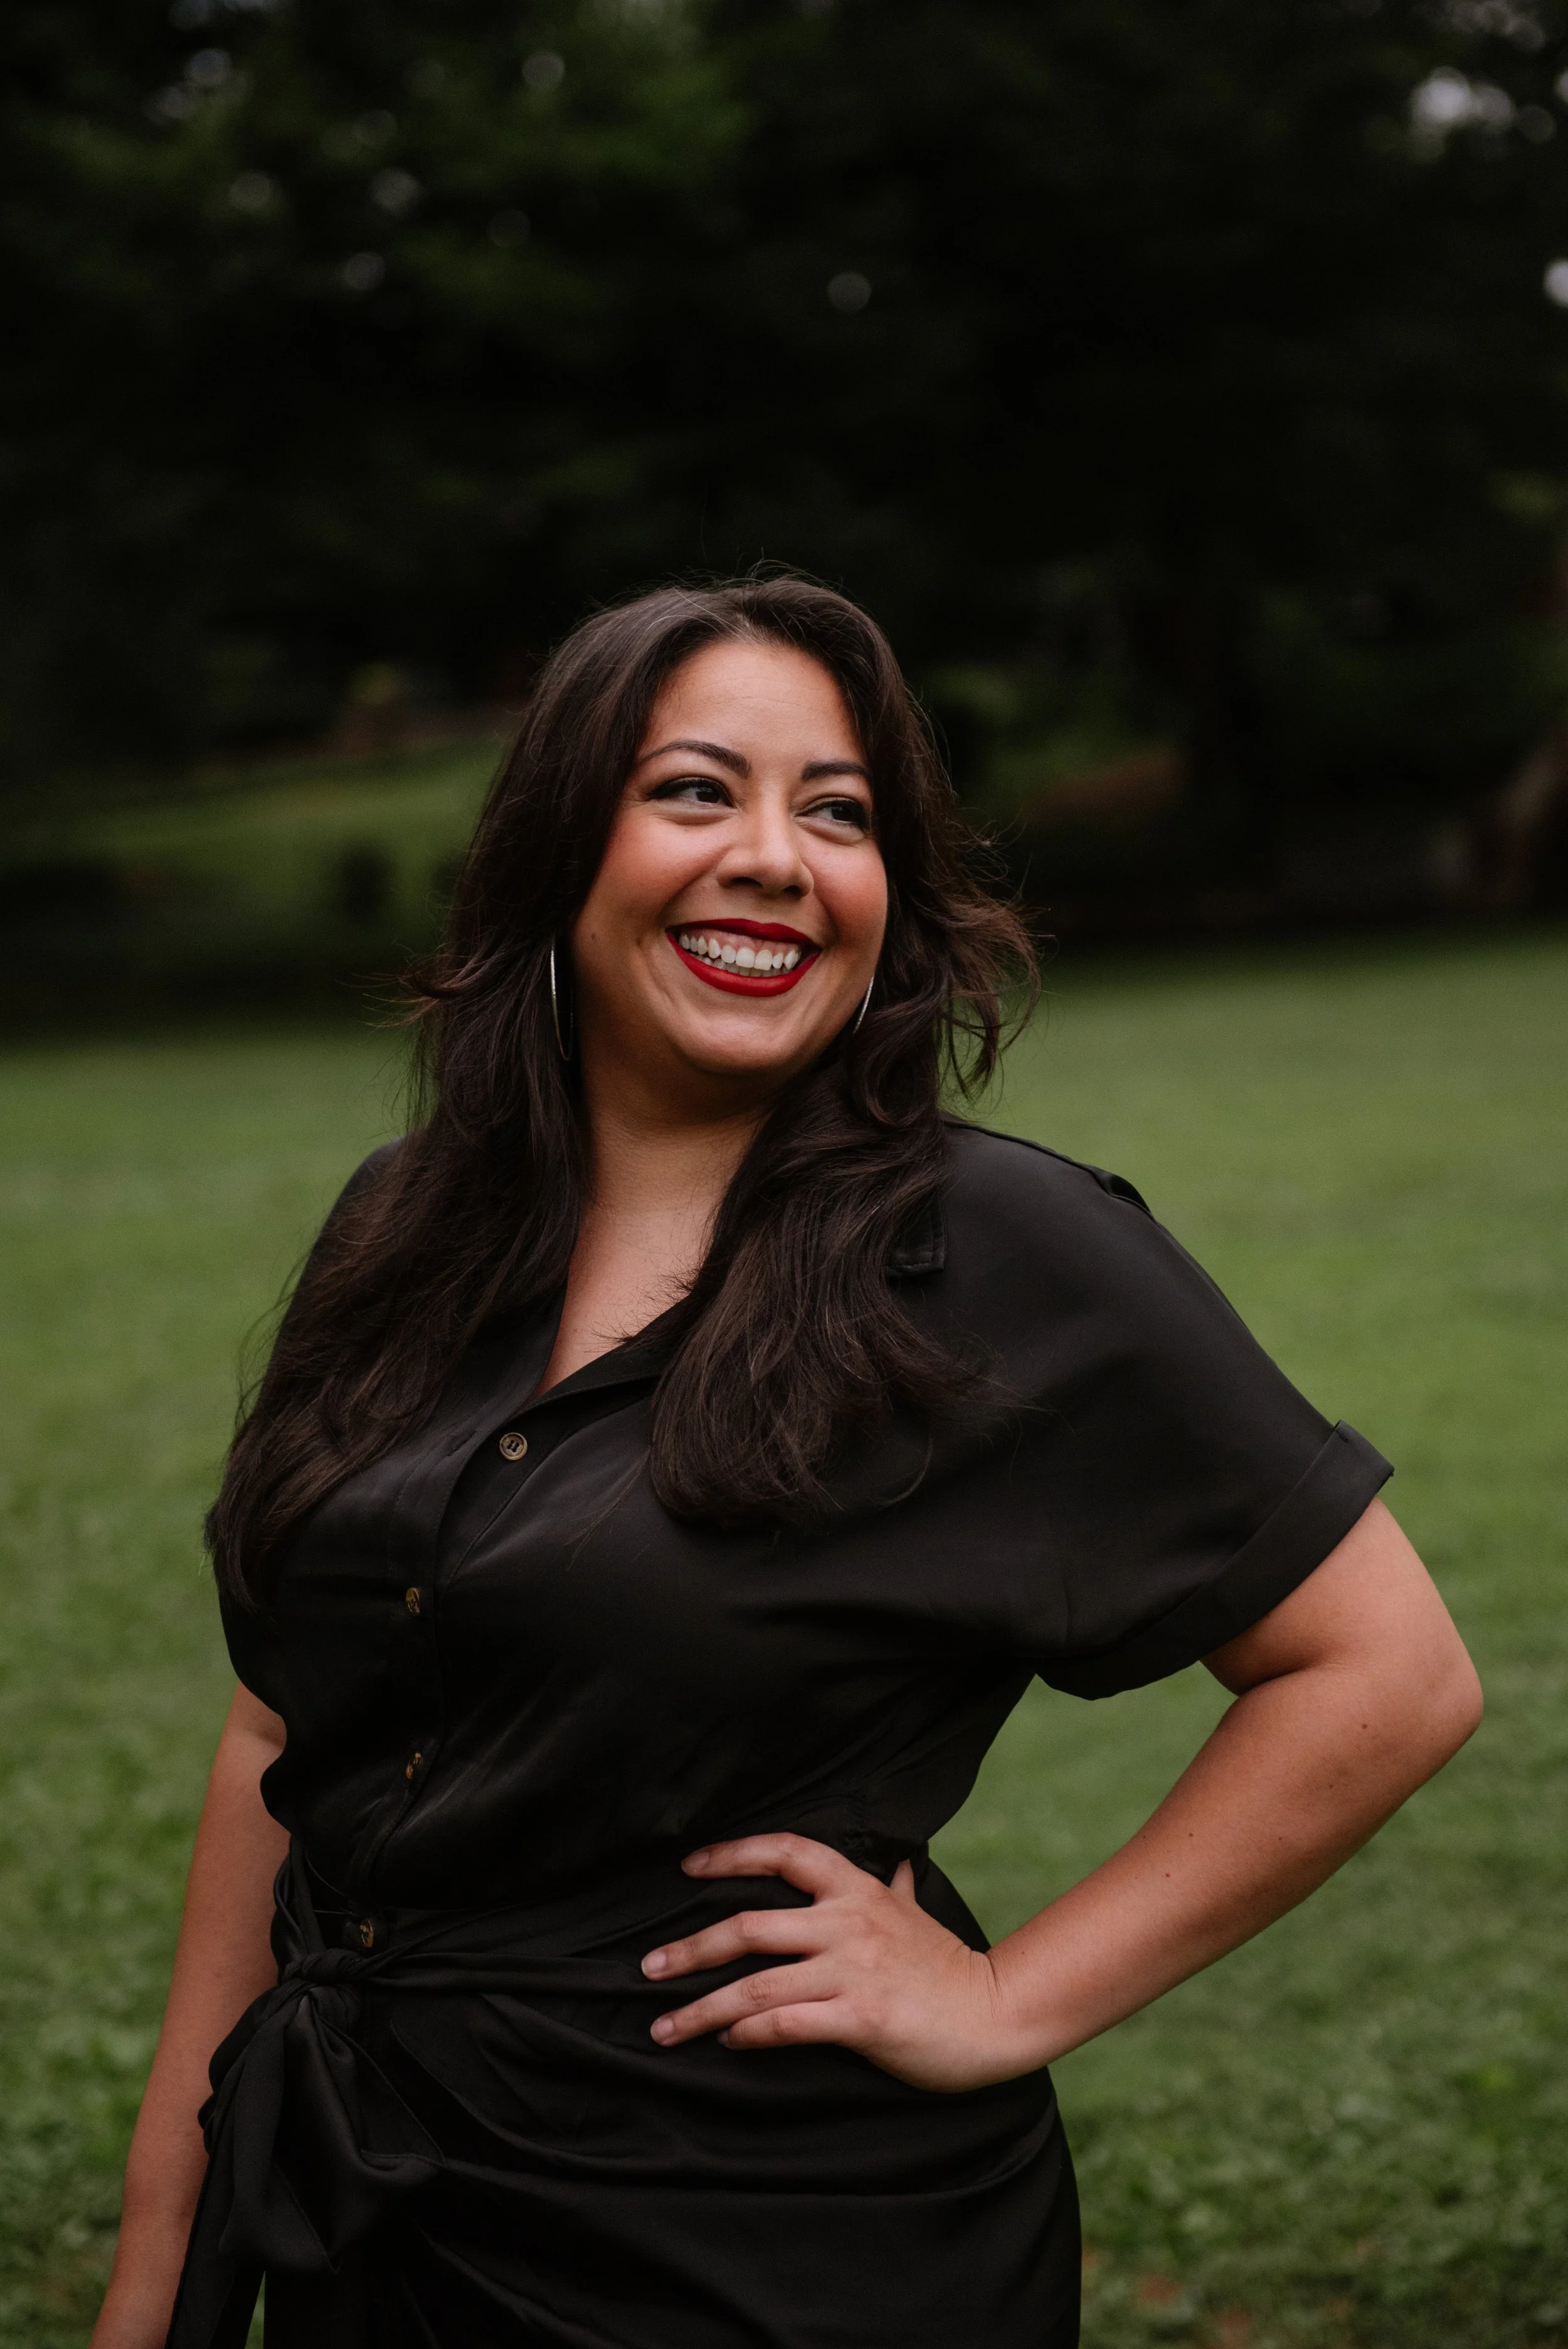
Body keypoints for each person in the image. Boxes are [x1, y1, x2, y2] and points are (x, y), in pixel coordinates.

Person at [92, 576, 1481, 2349]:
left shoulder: (998, 1253)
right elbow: (282, 1728)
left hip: (768, 2248)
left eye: (836, 813)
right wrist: (162, 2250)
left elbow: (1386, 1670)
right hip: (377, 2221)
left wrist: (1003, 1996)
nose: (773, 857)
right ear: (554, 850)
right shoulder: (405, 1228)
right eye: (694, 791)